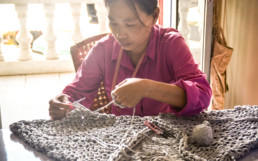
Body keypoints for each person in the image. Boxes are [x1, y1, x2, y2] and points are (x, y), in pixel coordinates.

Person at [49, 0, 212, 120]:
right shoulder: (103, 49)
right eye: (113, 23)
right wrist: (62, 103)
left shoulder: (171, 44)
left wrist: (146, 87)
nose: (120, 34)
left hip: (167, 137)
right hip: (120, 140)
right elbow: (77, 92)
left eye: (130, 24)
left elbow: (203, 95)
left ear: (154, 16)